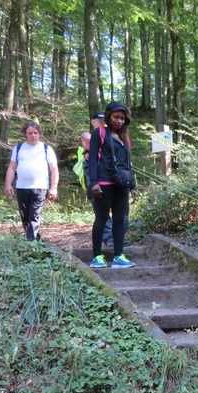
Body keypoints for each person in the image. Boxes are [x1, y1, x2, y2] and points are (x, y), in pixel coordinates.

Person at [88, 102, 137, 268]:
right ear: (108, 116)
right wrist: (94, 182)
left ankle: (118, 255)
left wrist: (133, 186)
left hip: (121, 184)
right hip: (103, 182)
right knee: (101, 219)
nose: (119, 121)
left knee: (120, 219)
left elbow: (128, 164)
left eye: (122, 118)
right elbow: (93, 158)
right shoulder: (99, 133)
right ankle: (97, 257)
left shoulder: (125, 138)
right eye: (116, 117)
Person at [4, 121, 59, 241]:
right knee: (25, 216)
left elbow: (54, 170)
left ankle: (30, 243)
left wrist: (53, 187)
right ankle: (35, 240)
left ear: (40, 133)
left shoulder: (46, 149)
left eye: (36, 132)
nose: (33, 135)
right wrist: (8, 184)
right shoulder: (18, 148)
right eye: (30, 133)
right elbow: (12, 168)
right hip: (22, 187)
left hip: (40, 187)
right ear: (25, 134)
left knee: (34, 215)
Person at [75, 111, 113, 246]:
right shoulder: (88, 135)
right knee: (100, 205)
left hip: (109, 174)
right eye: (100, 120)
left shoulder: (112, 135)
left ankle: (114, 237)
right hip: (93, 174)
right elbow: (96, 146)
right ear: (93, 122)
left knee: (112, 205)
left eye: (105, 120)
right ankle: (108, 238)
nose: (104, 123)